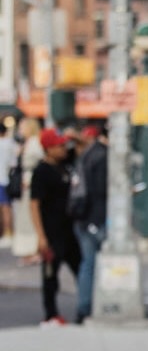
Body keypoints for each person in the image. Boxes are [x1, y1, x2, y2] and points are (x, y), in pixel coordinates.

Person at [29, 128, 81, 326]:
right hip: (51, 232)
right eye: (59, 146)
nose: (64, 148)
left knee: (81, 269)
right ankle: (50, 314)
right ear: (49, 148)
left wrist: (74, 136)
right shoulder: (41, 171)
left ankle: (86, 306)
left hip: (70, 230)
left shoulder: (65, 165)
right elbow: (34, 204)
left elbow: (83, 147)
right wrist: (41, 236)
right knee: (50, 275)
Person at [72, 125, 108, 323]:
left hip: (83, 216)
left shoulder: (85, 155)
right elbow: (101, 189)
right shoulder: (102, 155)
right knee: (94, 264)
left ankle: (84, 307)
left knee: (87, 263)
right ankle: (88, 306)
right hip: (96, 217)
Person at [11, 118, 42, 263]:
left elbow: (40, 162)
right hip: (25, 186)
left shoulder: (35, 143)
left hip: (30, 186)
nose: (20, 131)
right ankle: (27, 250)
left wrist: (30, 179)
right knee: (24, 219)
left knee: (30, 218)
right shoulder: (26, 143)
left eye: (22, 127)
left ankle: (34, 250)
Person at [0, 122, 17, 247]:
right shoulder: (11, 143)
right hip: (6, 178)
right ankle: (8, 233)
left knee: (4, 208)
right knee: (6, 208)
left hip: (2, 179)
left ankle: (7, 233)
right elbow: (13, 163)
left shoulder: (4, 144)